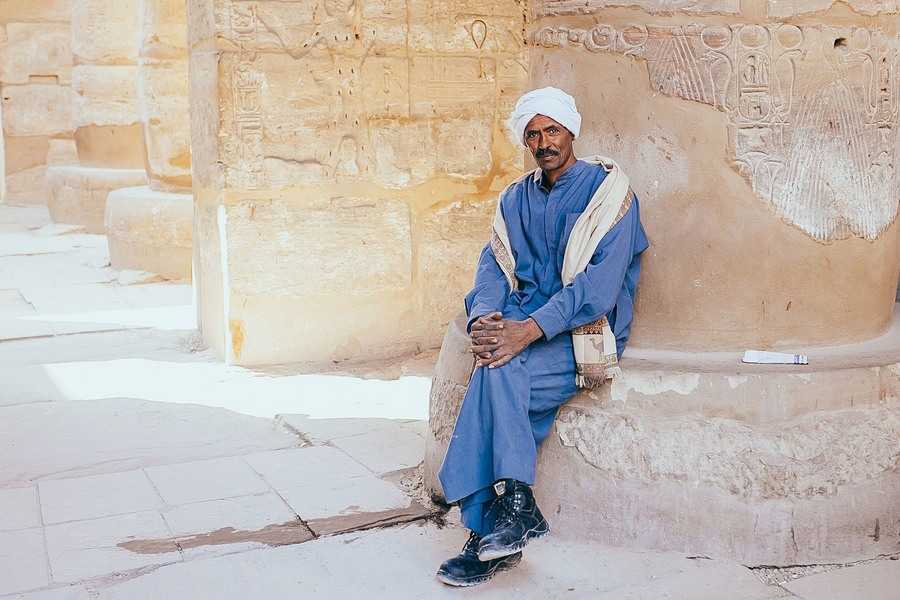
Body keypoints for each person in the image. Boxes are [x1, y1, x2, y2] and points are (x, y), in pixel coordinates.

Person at [435, 87, 650, 587]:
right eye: (532, 133)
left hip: (580, 332)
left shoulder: (609, 195)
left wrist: (525, 331)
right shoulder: (515, 198)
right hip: (518, 324)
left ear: (571, 130)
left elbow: (599, 289)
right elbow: (491, 268)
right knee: (497, 364)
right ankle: (512, 511)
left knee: (494, 373)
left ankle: (483, 530)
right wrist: (485, 320)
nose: (543, 141)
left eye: (551, 130)